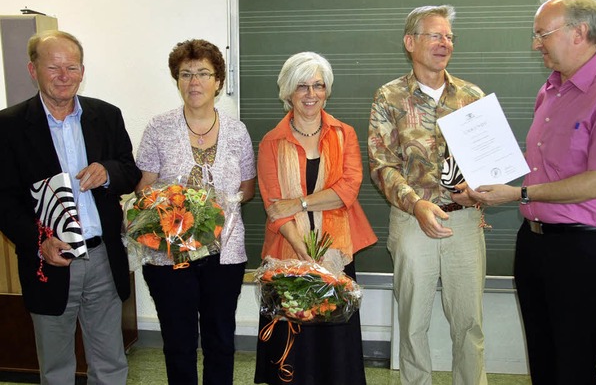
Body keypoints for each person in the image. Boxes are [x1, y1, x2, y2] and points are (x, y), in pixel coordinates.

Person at [466, 0, 596, 384]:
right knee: (542, 358)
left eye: (542, 34)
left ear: (579, 32)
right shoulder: (551, 88)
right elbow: (543, 169)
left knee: (573, 365)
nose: (535, 43)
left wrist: (518, 194)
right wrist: (488, 187)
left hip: (582, 248)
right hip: (534, 242)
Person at [0, 30, 140, 384]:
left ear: (82, 71)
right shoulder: (8, 126)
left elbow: (130, 171)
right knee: (57, 367)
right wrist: (38, 241)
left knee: (110, 362)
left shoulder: (107, 116)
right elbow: (4, 200)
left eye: (72, 67)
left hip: (103, 259)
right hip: (50, 260)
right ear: (33, 70)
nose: (64, 76)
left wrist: (108, 172)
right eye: (54, 67)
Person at [368, 5, 488, 385]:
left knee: (469, 324)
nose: (445, 43)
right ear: (410, 42)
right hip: (411, 220)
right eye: (435, 35)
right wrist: (415, 204)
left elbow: (487, 161)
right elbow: (381, 164)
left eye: (449, 36)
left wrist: (479, 191)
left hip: (465, 221)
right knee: (413, 323)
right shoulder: (388, 97)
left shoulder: (472, 95)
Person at [134, 39, 256, 385]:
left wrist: (216, 207)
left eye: (203, 73)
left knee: (221, 341)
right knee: (178, 342)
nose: (194, 82)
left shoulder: (237, 131)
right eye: (186, 74)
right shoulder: (159, 127)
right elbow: (144, 186)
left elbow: (248, 189)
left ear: (218, 80)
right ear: (177, 80)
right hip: (169, 255)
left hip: (226, 253)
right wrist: (176, 204)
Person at [254, 51, 377, 385]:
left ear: (327, 90)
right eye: (302, 87)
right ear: (288, 92)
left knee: (334, 350)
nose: (311, 94)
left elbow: (347, 189)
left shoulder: (344, 134)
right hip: (288, 255)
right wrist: (303, 253)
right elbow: (273, 207)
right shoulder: (271, 142)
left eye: (318, 86)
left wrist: (300, 203)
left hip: (336, 252)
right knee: (293, 349)